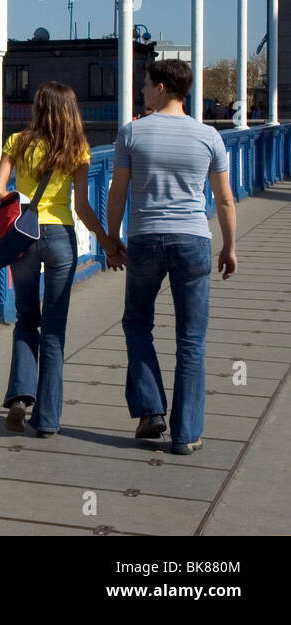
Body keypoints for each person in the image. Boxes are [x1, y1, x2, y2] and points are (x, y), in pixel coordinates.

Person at [107, 59, 237, 455]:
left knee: (136, 324)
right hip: (193, 240)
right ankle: (186, 434)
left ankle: (151, 410)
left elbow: (118, 193)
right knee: (192, 340)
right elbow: (224, 198)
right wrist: (230, 246)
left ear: (162, 87)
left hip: (146, 239)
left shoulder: (132, 134)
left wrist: (112, 239)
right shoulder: (208, 136)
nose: (143, 90)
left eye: (146, 84)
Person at [0, 82, 123, 437]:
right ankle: (47, 419)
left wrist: (21, 197)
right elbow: (81, 207)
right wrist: (108, 242)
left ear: (38, 106)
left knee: (25, 319)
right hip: (60, 239)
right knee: (53, 330)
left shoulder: (17, 142)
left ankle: (20, 394)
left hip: (24, 238)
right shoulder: (77, 149)